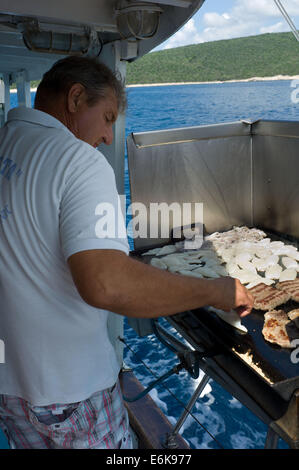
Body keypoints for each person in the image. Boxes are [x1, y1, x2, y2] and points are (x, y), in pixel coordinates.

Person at [0, 56, 253, 449]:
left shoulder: (8, 142)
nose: (107, 135)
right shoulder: (78, 160)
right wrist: (215, 291)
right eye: (107, 117)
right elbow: (108, 284)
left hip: (10, 385)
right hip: (69, 392)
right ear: (76, 97)